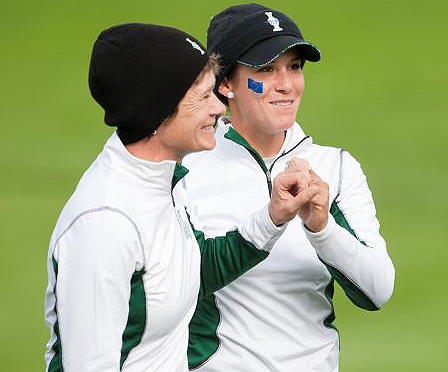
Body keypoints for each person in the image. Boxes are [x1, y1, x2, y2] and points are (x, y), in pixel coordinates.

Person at [44, 23, 320, 372]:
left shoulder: (167, 180)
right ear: (157, 110)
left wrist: (273, 216)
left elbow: (188, 274)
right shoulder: (106, 222)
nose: (219, 108)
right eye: (202, 96)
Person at [182, 4, 396, 371]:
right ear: (225, 83)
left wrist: (323, 229)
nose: (286, 85)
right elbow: (177, 286)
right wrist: (270, 220)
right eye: (264, 70)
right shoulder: (185, 169)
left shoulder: (336, 167)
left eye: (294, 67)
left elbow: (377, 290)